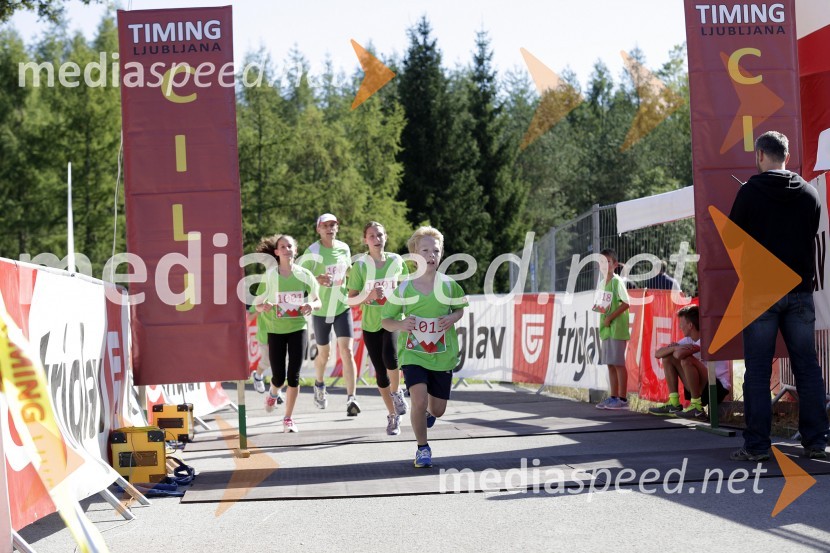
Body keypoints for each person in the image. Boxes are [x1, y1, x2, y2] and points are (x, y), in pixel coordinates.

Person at [728, 130, 828, 461]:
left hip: (760, 292)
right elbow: (811, 234)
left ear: (760, 155)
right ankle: (816, 441)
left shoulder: (749, 193)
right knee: (807, 366)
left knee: (757, 371)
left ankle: (757, 447)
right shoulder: (810, 193)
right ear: (787, 155)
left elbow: (734, 240)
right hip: (800, 290)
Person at [382, 226, 467, 468]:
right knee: (418, 400)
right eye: (425, 250)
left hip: (442, 356)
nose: (431, 255)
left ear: (441, 255)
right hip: (413, 354)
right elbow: (386, 321)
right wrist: (401, 323)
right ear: (415, 255)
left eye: (436, 251)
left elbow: (460, 308)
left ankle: (429, 415)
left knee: (437, 410)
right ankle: (422, 448)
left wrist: (452, 317)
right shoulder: (405, 288)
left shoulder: (449, 286)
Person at [253, 235, 320, 433]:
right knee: (279, 377)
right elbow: (257, 305)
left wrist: (310, 305)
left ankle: (288, 418)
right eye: (282, 246)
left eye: (290, 246)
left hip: (298, 328)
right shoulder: (271, 276)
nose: (286, 249)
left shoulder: (305, 274)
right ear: (276, 252)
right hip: (276, 330)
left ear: (295, 250)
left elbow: (318, 301)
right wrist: (264, 306)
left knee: (294, 376)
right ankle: (273, 392)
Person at [347, 222, 409, 436]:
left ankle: (397, 392)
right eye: (371, 235)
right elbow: (350, 299)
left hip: (393, 319)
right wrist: (370, 296)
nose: (376, 238)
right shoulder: (361, 266)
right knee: (380, 374)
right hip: (371, 324)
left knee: (390, 357)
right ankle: (393, 415)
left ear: (386, 237)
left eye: (380, 234)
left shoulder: (397, 261)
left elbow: (407, 289)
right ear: (365, 240)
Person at [301, 213, 361, 416]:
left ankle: (351, 398)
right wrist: (316, 278)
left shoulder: (344, 248)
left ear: (337, 227)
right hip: (321, 310)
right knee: (324, 355)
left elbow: (348, 272)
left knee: (347, 351)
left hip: (341, 307)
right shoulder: (313, 251)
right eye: (325, 225)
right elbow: (299, 278)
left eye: (333, 224)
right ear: (318, 229)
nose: (330, 228)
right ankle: (319, 385)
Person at [648, 305, 730, 420]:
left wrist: (676, 349)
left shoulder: (707, 338)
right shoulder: (689, 340)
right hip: (705, 385)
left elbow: (679, 355)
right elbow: (658, 354)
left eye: (682, 323)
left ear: (690, 325)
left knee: (686, 360)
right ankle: (674, 403)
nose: (680, 327)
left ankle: (697, 408)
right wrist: (674, 348)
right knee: (667, 358)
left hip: (718, 388)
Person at [593, 248, 631, 410]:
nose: (604, 264)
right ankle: (613, 397)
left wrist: (610, 317)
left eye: (608, 261)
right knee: (610, 364)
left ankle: (622, 399)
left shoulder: (617, 282)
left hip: (616, 328)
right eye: (601, 261)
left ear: (615, 264)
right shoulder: (602, 283)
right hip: (606, 329)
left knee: (618, 364)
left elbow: (626, 303)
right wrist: (600, 309)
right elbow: (603, 304)